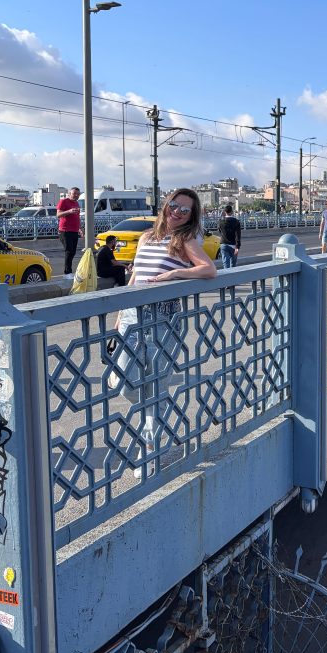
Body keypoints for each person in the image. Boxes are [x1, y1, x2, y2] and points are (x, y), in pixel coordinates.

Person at [114, 189, 218, 478]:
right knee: (124, 381)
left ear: (191, 216)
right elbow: (135, 275)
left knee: (156, 388)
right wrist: (120, 311)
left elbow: (209, 270)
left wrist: (175, 274)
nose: (177, 212)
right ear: (165, 206)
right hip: (133, 315)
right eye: (174, 205)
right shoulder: (147, 237)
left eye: (185, 210)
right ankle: (155, 416)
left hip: (164, 317)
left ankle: (150, 450)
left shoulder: (184, 239)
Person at [57, 187, 83, 276]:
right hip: (65, 231)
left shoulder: (77, 203)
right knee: (69, 251)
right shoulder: (63, 201)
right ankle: (67, 273)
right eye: (74, 193)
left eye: (78, 194)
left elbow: (77, 217)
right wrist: (69, 211)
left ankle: (68, 271)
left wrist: (80, 229)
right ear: (69, 194)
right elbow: (58, 214)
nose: (76, 195)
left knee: (73, 251)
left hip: (74, 231)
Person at [218, 203, 241, 268]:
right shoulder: (236, 221)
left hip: (223, 244)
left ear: (225, 212)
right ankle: (232, 277)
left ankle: (226, 277)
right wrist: (237, 247)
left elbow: (220, 231)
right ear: (232, 212)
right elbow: (238, 235)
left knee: (225, 265)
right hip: (233, 245)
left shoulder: (220, 221)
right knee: (233, 265)